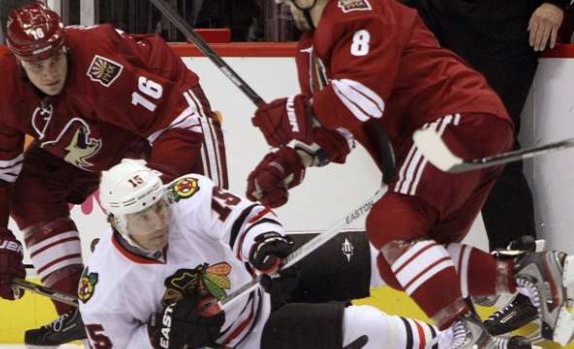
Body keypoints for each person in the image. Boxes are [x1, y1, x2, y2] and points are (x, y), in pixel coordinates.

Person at [246, 0, 574, 347]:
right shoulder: (310, 48)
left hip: (452, 117)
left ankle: (464, 334)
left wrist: (298, 114)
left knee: (389, 225)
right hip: (466, 126)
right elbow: (337, 130)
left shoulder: (358, 10)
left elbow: (361, 98)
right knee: (403, 260)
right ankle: (530, 275)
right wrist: (286, 163)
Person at [0, 2, 227, 347]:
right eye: (36, 65)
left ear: (64, 48)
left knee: (186, 209)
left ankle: (217, 301)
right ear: (17, 61)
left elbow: (178, 124)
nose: (48, 74)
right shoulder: (1, 92)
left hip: (169, 116)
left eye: (54, 59)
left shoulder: (100, 66)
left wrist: (151, 188)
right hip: (97, 133)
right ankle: (79, 309)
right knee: (30, 188)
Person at [79, 158, 455, 349]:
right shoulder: (102, 289)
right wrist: (159, 338)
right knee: (370, 328)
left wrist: (261, 243)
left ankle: (485, 292)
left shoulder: (184, 197)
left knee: (381, 254)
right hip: (246, 338)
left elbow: (241, 219)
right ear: (116, 221)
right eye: (142, 216)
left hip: (265, 275)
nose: (158, 220)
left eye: (158, 206)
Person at [398, 0, 569, 335]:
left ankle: (528, 285)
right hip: (437, 15)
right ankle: (448, 285)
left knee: (492, 147)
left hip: (505, 23)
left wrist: (555, 2)